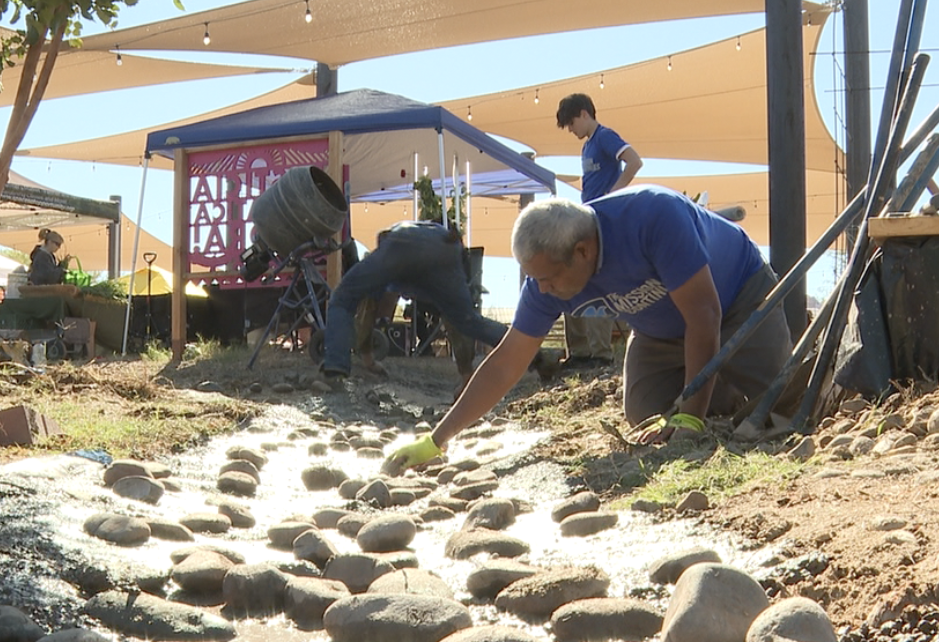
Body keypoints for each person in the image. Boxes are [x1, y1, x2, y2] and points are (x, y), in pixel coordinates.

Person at [384, 188, 793, 472]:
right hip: (660, 331)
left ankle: (718, 390)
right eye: (534, 280)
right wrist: (436, 441)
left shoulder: (654, 216)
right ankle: (712, 389)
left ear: (582, 251)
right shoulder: (545, 278)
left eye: (547, 279)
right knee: (644, 416)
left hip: (739, 299)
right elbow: (506, 364)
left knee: (781, 404)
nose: (542, 290)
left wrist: (690, 420)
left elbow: (705, 314)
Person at [320, 221, 506, 388]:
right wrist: (466, 374)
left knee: (343, 299)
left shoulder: (390, 244)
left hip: (401, 245)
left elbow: (368, 310)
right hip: (446, 249)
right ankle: (525, 348)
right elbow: (459, 321)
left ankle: (336, 368)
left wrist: (368, 358)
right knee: (466, 319)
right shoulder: (439, 236)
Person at [555, 92, 643, 370]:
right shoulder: (586, 147)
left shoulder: (604, 136)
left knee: (596, 283)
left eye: (571, 123)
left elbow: (634, 161)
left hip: (604, 222)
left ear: (584, 114)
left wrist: (612, 196)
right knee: (571, 279)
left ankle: (600, 353)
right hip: (586, 219)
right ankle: (580, 351)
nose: (571, 130)